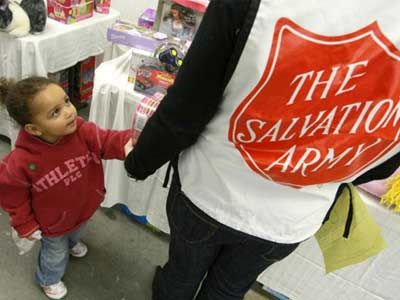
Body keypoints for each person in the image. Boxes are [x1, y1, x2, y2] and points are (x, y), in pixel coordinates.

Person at [124, 0, 400, 299]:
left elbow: (185, 111)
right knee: (228, 289)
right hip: (291, 217)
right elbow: (381, 162)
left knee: (181, 275)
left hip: (212, 188)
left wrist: (138, 163)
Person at [0, 77, 131, 299]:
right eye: (55, 112)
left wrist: (129, 142)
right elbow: (12, 196)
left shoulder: (81, 130)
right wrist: (25, 224)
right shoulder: (22, 161)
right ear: (34, 128)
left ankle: (71, 243)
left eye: (67, 101)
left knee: (76, 233)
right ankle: (47, 279)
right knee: (54, 253)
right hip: (51, 223)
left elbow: (106, 140)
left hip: (83, 208)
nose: (69, 112)